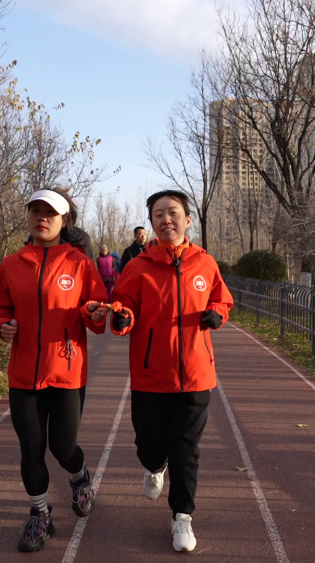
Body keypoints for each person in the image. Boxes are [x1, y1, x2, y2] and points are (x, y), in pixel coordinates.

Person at [0, 188, 111, 553]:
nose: (42, 217)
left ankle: (79, 477)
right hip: (24, 375)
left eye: (50, 212)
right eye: (35, 210)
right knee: (31, 448)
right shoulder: (12, 264)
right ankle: (39, 514)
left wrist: (93, 313)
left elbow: (97, 312)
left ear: (64, 219)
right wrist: (1, 324)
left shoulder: (80, 264)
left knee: (63, 446)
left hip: (66, 371)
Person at [108, 190, 234, 553]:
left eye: (174, 212)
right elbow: (122, 304)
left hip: (196, 375)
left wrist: (217, 313)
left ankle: (182, 517)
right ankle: (153, 466)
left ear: (188, 220)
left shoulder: (204, 263)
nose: (167, 219)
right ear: (151, 223)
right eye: (159, 214)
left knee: (186, 449)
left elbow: (222, 298)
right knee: (149, 446)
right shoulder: (138, 267)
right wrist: (122, 317)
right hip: (151, 375)